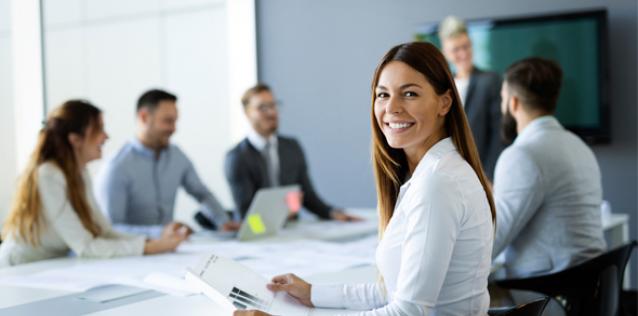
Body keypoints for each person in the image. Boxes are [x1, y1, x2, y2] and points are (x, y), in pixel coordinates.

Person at [235, 42, 496, 316]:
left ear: (444, 102)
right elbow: (391, 292)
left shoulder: (437, 183)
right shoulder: (432, 173)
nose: (392, 108)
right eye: (382, 95)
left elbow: (408, 311)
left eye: (409, 94)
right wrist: (312, 293)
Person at [0, 100, 186, 267]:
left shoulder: (80, 172)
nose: (106, 137)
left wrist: (154, 240)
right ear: (75, 140)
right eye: (99, 129)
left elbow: (104, 231)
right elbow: (85, 246)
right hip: (19, 269)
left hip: (49, 267)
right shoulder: (48, 175)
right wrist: (149, 248)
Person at [492, 57, 606, 277]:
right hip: (588, 291)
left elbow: (490, 242)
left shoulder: (522, 155)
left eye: (502, 99)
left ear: (513, 103)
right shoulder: (579, 146)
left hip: (545, 296)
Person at [95, 89, 239, 238]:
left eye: (175, 121)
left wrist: (223, 221)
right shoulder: (117, 166)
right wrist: (160, 233)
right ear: (144, 117)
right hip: (134, 254)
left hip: (169, 251)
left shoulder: (177, 155)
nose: (173, 128)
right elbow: (110, 229)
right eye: (167, 121)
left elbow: (202, 194)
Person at [224, 84, 358, 221]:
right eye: (262, 108)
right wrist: (267, 229)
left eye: (273, 105)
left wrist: (332, 213)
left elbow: (307, 195)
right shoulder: (237, 158)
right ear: (247, 113)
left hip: (292, 229)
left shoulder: (291, 147)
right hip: (258, 233)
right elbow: (246, 215)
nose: (271, 112)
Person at [439, 16, 503, 179]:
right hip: (447, 173)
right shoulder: (441, 87)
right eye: (456, 49)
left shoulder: (490, 81)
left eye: (466, 46)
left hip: (480, 174)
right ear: (446, 53)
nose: (464, 54)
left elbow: (499, 133)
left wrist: (489, 176)